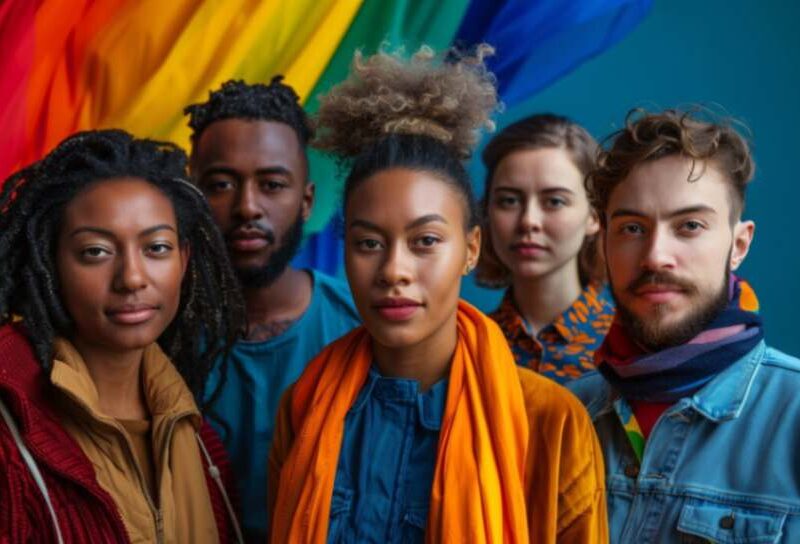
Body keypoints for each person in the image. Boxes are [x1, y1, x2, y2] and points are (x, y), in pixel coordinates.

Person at [267, 46, 607, 543]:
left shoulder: (551, 422)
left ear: (471, 248)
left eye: (425, 241)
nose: (394, 271)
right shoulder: (305, 406)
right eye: (368, 243)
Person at [0, 130, 245, 543]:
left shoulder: (200, 442)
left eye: (157, 248)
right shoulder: (9, 441)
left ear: (184, 260)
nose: (131, 277)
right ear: (50, 263)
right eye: (96, 251)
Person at [568, 109, 800, 541]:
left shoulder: (793, 414)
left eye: (690, 226)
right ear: (603, 245)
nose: (656, 256)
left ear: (739, 245)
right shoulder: (566, 416)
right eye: (632, 228)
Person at [184, 78, 360, 541]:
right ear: (191, 198)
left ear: (306, 202)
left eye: (272, 185)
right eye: (221, 184)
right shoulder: (153, 333)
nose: (247, 207)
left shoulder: (364, 329)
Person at [477, 114, 614, 383]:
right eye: (508, 200)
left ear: (594, 215)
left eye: (554, 201)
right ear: (487, 211)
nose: (529, 220)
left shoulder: (629, 346)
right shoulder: (466, 345)